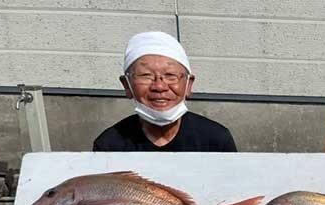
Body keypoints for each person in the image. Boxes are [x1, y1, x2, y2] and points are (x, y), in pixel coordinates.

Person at [94, 31, 237, 152]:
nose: (159, 86)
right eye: (146, 76)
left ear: (188, 84)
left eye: (170, 76)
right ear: (127, 85)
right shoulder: (109, 145)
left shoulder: (215, 140)